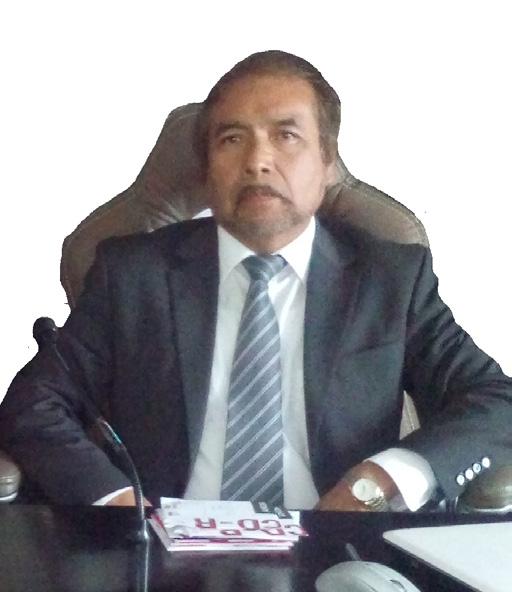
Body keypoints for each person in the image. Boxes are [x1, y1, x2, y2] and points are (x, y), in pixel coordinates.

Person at [1, 50, 511, 511]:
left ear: (326, 162)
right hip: (163, 547)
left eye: (286, 136)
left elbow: (495, 400)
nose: (257, 162)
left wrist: (380, 481)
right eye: (231, 139)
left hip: (337, 543)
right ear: (207, 169)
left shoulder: (389, 279)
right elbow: (33, 404)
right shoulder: (133, 275)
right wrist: (113, 501)